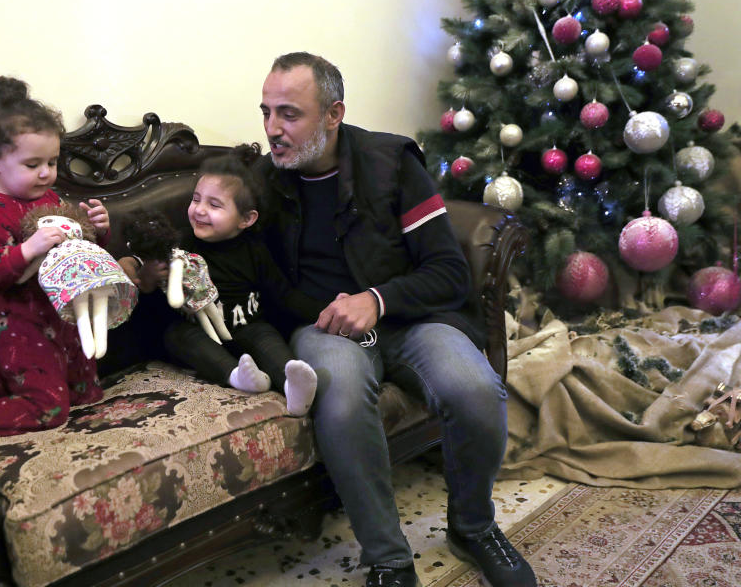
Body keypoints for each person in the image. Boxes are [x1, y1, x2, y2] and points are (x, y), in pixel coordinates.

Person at [253, 53, 537, 587]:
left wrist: (377, 300)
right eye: (266, 112)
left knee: (474, 388)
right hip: (323, 327)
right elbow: (229, 258)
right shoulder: (265, 182)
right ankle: (388, 558)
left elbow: (450, 273)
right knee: (338, 392)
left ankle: (472, 527)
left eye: (289, 114)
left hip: (410, 317)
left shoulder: (391, 162)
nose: (273, 130)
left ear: (334, 113)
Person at [0, 76, 115, 437]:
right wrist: (27, 249)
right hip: (22, 327)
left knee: (88, 395)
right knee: (51, 410)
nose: (46, 173)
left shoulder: (50, 200)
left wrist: (98, 229)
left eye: (53, 162)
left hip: (64, 320)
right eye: (33, 165)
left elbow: (78, 255)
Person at [160, 144, 323, 416]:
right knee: (176, 336)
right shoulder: (180, 244)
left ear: (246, 219)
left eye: (214, 205)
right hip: (200, 332)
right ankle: (236, 376)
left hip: (248, 327)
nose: (199, 210)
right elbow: (148, 263)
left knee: (267, 336)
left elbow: (284, 295)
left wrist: (323, 310)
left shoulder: (255, 250)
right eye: (196, 199)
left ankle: (293, 386)